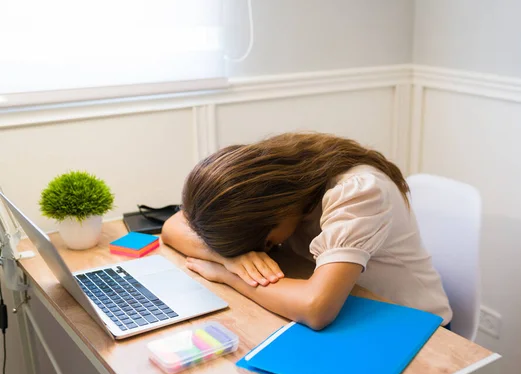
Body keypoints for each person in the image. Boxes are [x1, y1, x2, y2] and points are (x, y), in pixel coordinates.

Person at [162, 132, 452, 330]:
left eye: (266, 242)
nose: (263, 249)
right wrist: (227, 257)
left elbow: (316, 309)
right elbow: (172, 227)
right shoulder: (271, 174)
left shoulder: (358, 191)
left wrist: (229, 275)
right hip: (351, 307)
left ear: (276, 208)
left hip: (410, 323)